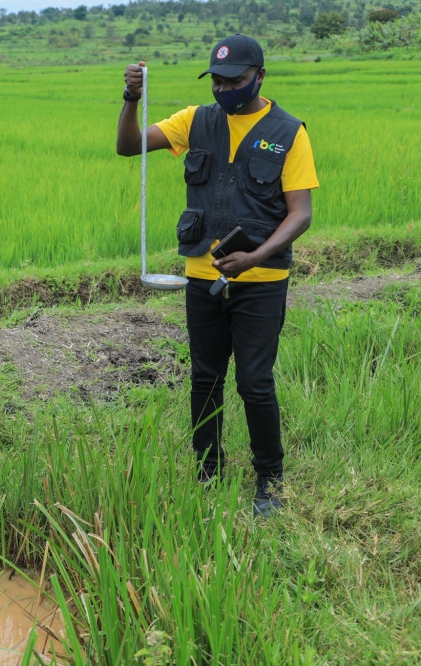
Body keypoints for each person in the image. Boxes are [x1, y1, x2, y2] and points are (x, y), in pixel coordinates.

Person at [116, 35, 319, 517]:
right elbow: (128, 147)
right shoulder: (196, 120)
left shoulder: (288, 132)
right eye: (219, 81)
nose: (225, 89)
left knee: (254, 381)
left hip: (261, 282)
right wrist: (132, 99)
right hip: (201, 278)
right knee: (205, 378)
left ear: (259, 77)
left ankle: (270, 478)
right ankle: (208, 471)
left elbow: (300, 214)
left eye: (236, 81)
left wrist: (255, 258)